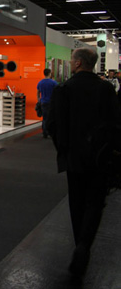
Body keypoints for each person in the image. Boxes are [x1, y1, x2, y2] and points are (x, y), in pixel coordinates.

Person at [47, 48, 121, 275]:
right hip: (100, 157)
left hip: (74, 157)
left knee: (77, 201)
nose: (71, 62)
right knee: (95, 202)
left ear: (78, 63)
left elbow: (53, 125)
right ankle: (84, 245)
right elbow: (116, 124)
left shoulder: (64, 89)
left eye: (72, 60)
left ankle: (79, 242)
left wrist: (64, 149)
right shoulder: (106, 89)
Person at [37, 68, 58, 138]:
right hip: (51, 102)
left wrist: (39, 100)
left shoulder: (40, 82)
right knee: (51, 118)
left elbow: (38, 93)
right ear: (49, 73)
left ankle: (44, 132)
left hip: (43, 102)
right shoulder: (53, 82)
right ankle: (50, 132)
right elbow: (57, 91)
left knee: (44, 118)